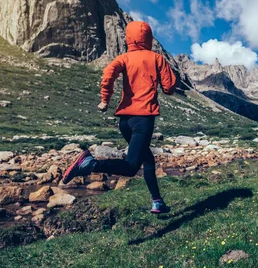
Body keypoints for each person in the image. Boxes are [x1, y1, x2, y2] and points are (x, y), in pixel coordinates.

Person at [62, 21, 177, 214]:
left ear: (128, 38)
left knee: (147, 159)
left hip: (125, 121)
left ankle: (157, 201)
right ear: (148, 37)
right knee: (131, 167)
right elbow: (169, 88)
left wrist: (105, 100)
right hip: (143, 119)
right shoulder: (157, 58)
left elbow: (108, 73)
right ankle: (90, 164)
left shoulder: (123, 58)